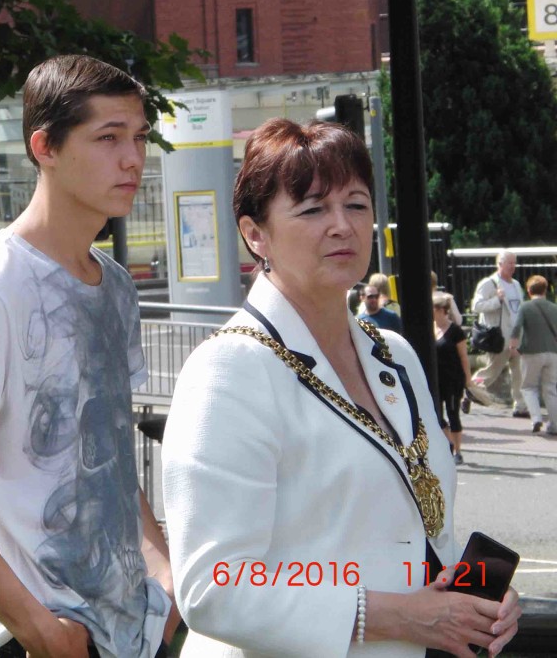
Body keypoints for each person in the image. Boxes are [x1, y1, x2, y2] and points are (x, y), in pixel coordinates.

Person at [162, 118, 519, 658]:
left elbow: (409, 529)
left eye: (356, 204)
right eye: (312, 208)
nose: (342, 226)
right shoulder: (228, 369)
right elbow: (213, 588)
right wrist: (401, 616)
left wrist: (475, 594)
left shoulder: (392, 355)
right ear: (255, 233)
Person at [0, 55, 179, 658]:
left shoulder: (114, 284)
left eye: (138, 137)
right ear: (45, 147)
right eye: (108, 138)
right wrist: (37, 626)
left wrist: (164, 573)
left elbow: (109, 454)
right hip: (42, 636)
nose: (133, 158)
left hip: (135, 628)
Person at [471, 250, 528, 418]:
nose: (512, 266)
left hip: (516, 337)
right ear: (499, 264)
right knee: (491, 372)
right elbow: (477, 306)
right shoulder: (489, 283)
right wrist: (497, 301)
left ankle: (520, 406)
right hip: (499, 337)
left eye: (514, 263)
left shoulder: (516, 284)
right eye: (509, 263)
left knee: (519, 373)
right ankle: (472, 388)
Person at [510, 275, 557, 434]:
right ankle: (555, 424)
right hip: (553, 352)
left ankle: (536, 419)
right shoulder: (554, 307)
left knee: (528, 387)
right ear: (545, 290)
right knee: (550, 389)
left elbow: (517, 327)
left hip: (531, 352)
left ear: (529, 291)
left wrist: (514, 345)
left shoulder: (525, 307)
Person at [433, 291, 472, 464]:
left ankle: (458, 451)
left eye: (432, 308)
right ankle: (447, 443)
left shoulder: (455, 331)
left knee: (453, 413)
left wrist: (468, 379)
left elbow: (464, 357)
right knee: (436, 414)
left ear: (442, 310)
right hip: (436, 379)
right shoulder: (430, 329)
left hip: (453, 379)